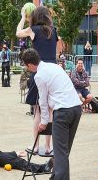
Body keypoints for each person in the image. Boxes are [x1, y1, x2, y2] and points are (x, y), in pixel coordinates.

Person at [22, 49, 82, 180]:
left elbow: (42, 101)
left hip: (63, 112)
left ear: (30, 65)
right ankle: (54, 177)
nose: (27, 68)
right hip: (76, 108)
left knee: (61, 154)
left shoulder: (39, 76)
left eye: (26, 66)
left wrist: (43, 122)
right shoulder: (55, 67)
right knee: (63, 152)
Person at [16, 6, 58, 154]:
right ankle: (48, 148)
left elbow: (17, 33)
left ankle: (35, 146)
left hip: (40, 70)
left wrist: (22, 17)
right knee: (51, 110)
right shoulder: (54, 31)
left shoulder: (33, 29)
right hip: (53, 72)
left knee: (38, 111)